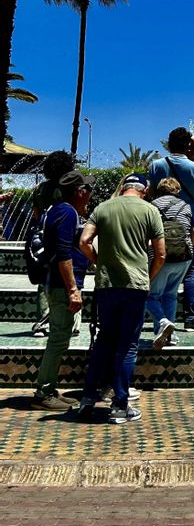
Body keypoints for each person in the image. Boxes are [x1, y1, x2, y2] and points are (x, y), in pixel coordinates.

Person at [78, 173, 165, 424]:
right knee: (127, 345)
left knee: (104, 340)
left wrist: (98, 262)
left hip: (107, 286)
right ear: (144, 190)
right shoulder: (150, 211)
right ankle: (119, 405)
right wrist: (148, 277)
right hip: (135, 286)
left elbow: (84, 242)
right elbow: (160, 254)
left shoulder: (103, 208)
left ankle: (87, 400)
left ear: (124, 186)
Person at [31, 170, 94, 410]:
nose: (90, 194)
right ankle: (44, 393)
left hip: (54, 282)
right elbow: (63, 253)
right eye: (87, 190)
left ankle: (48, 388)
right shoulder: (67, 213)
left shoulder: (57, 209)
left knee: (60, 337)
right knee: (58, 339)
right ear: (78, 192)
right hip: (61, 285)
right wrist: (73, 290)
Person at [149, 127, 194, 331]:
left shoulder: (156, 165)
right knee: (191, 273)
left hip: (158, 223)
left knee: (156, 270)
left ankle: (159, 320)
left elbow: (150, 193)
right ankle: (190, 318)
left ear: (169, 143)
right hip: (187, 222)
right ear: (187, 146)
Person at [147, 178, 194, 348]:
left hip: (160, 256)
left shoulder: (151, 206)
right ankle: (170, 337)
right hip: (183, 257)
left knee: (148, 296)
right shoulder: (185, 206)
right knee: (170, 295)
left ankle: (162, 322)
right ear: (177, 191)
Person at [29, 150, 75, 337]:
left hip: (43, 235)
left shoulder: (41, 188)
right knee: (68, 277)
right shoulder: (68, 187)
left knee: (44, 278)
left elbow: (36, 213)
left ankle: (41, 323)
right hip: (63, 236)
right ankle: (69, 322)